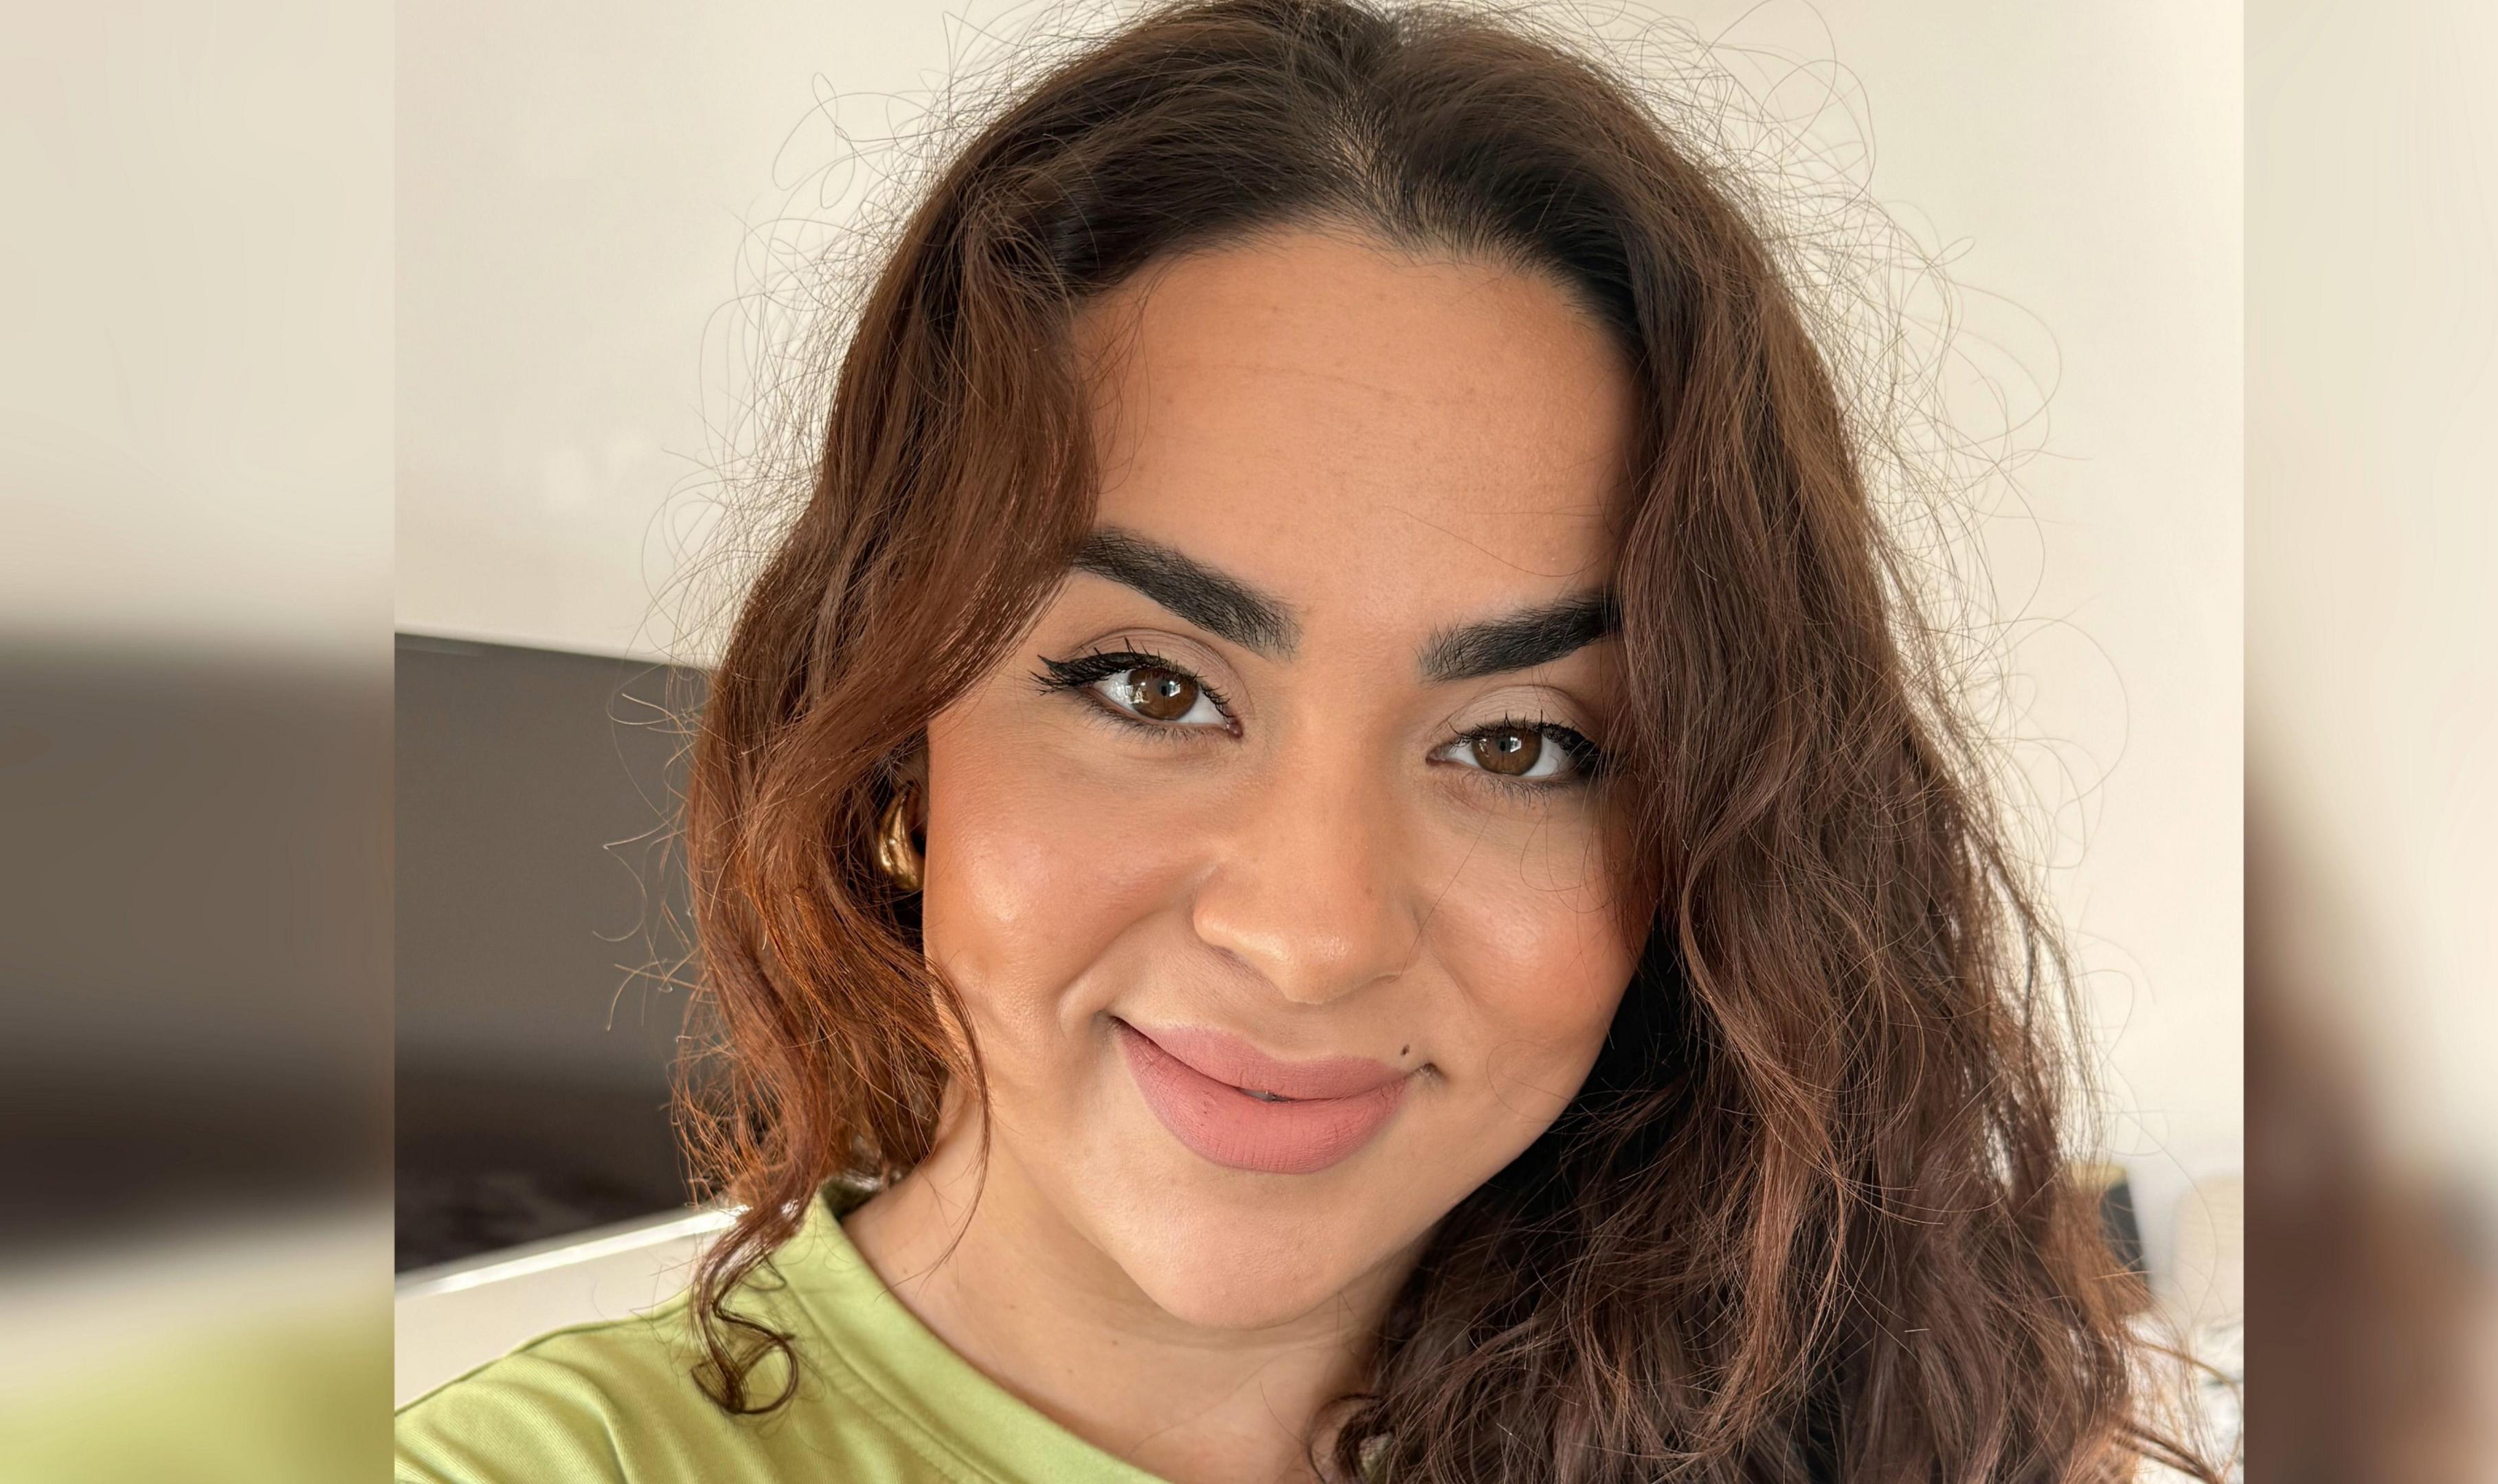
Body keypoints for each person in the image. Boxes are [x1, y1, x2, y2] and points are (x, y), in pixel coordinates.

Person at [397, 0, 2212, 1479]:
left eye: (1520, 745)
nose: (1314, 928)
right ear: (895, 739)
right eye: (1152, 687)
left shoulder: (1927, 1429)